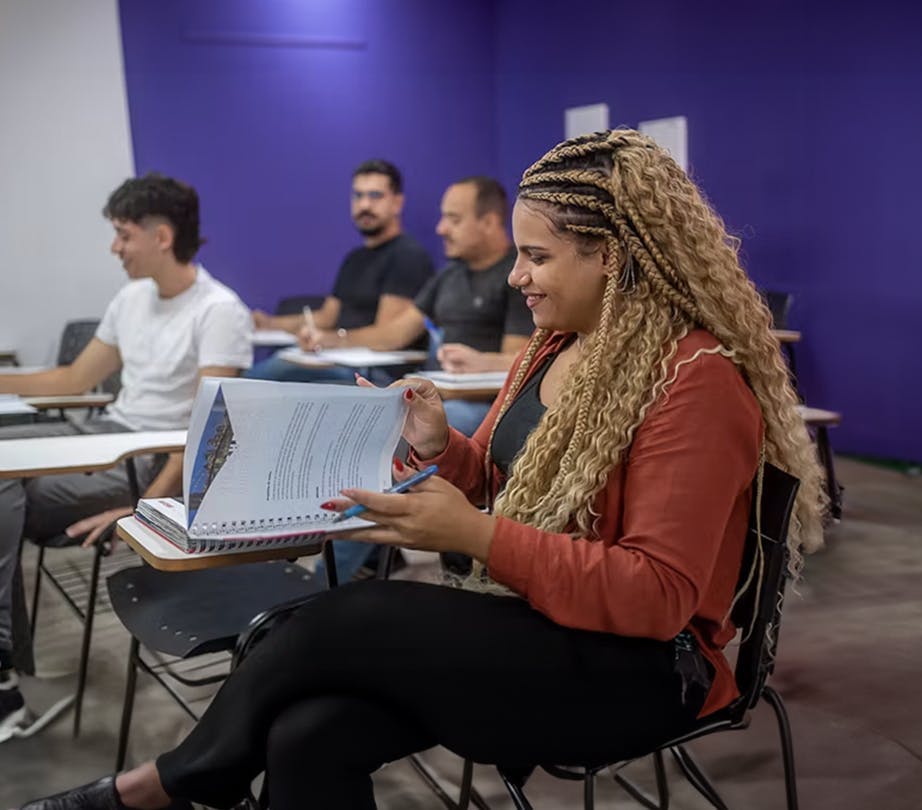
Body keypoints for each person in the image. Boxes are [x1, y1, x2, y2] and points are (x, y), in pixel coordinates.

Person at [17, 129, 825, 810]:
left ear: (612, 257)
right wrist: (447, 450)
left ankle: (172, 781)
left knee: (343, 618)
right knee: (308, 734)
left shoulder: (696, 378)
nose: (516, 278)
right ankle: (196, 775)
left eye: (536, 257)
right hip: (541, 622)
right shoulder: (555, 349)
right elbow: (515, 484)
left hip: (640, 669)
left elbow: (655, 600)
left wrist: (476, 535)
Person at [0, 173, 252, 744]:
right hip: (102, 437)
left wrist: (146, 509)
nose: (115, 247)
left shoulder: (219, 312)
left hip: (145, 462)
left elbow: (206, 434)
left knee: (2, 486)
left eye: (122, 234)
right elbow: (71, 379)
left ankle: (3, 675)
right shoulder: (131, 298)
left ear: (161, 236)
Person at [308, 176, 532, 581]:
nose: (440, 228)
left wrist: (481, 362)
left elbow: (522, 356)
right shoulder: (449, 276)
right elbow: (395, 333)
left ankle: (331, 575)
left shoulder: (515, 278)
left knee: (382, 442)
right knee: (355, 423)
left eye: (453, 218)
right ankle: (349, 561)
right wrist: (332, 337)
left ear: (489, 222)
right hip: (442, 397)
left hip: (484, 406)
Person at [245, 159, 434, 383]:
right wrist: (269, 323)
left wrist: (331, 339)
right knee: (277, 364)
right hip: (339, 360)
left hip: (378, 376)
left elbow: (387, 338)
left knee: (266, 374)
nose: (365, 205)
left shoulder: (408, 256)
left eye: (375, 196)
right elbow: (326, 317)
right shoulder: (355, 259)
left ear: (397, 203)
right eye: (358, 195)